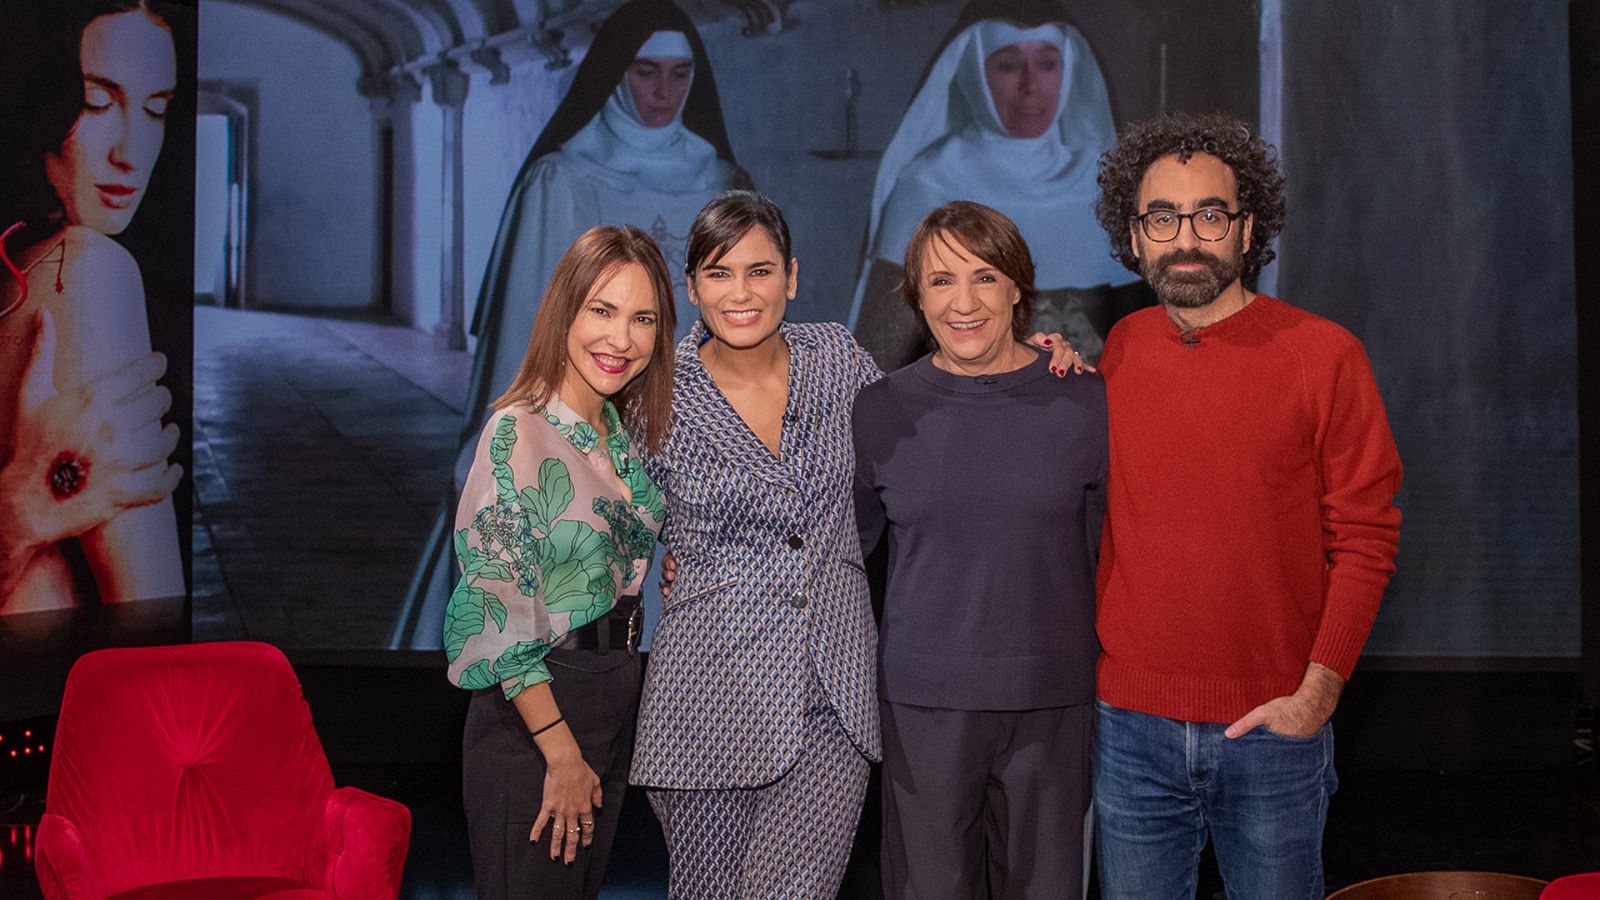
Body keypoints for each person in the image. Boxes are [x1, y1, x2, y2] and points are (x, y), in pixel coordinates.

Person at [633, 190, 1082, 898]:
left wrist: (1039, 355)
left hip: (833, 698)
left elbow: (944, 410)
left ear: (793, 277)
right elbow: (614, 518)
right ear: (692, 288)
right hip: (705, 702)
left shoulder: (840, 360)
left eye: (760, 270)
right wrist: (658, 564)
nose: (741, 292)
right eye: (719, 273)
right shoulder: (653, 393)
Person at [1089, 112, 1402, 899]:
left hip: (1273, 731)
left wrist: (1317, 696)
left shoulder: (1325, 356)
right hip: (1129, 730)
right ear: (1133, 236)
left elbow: (1365, 539)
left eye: (1209, 215)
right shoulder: (1119, 348)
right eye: (1162, 217)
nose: (1185, 236)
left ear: (1247, 227)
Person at [852, 201, 1104, 898]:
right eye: (940, 282)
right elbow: (845, 553)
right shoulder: (877, 411)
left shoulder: (1086, 404)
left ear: (1019, 288)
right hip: (923, 708)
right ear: (916, 298)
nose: (964, 303)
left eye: (985, 278)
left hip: (1054, 702)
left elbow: (1112, 555)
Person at [447, 225, 674, 900]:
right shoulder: (521, 431)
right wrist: (561, 750)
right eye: (601, 311)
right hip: (540, 708)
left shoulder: (613, 433)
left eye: (643, 319)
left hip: (610, 690)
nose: (622, 339)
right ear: (564, 313)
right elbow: (498, 618)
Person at [0, 0, 184, 613]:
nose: (132, 153)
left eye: (156, 110)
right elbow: (151, 618)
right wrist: (20, 513)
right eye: (97, 102)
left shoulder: (33, 265)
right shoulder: (87, 270)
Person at [848, 0, 1137, 372]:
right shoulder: (926, 184)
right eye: (1007, 65)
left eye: (1048, 64)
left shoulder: (1104, 181)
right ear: (972, 72)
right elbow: (884, 352)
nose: (1031, 86)